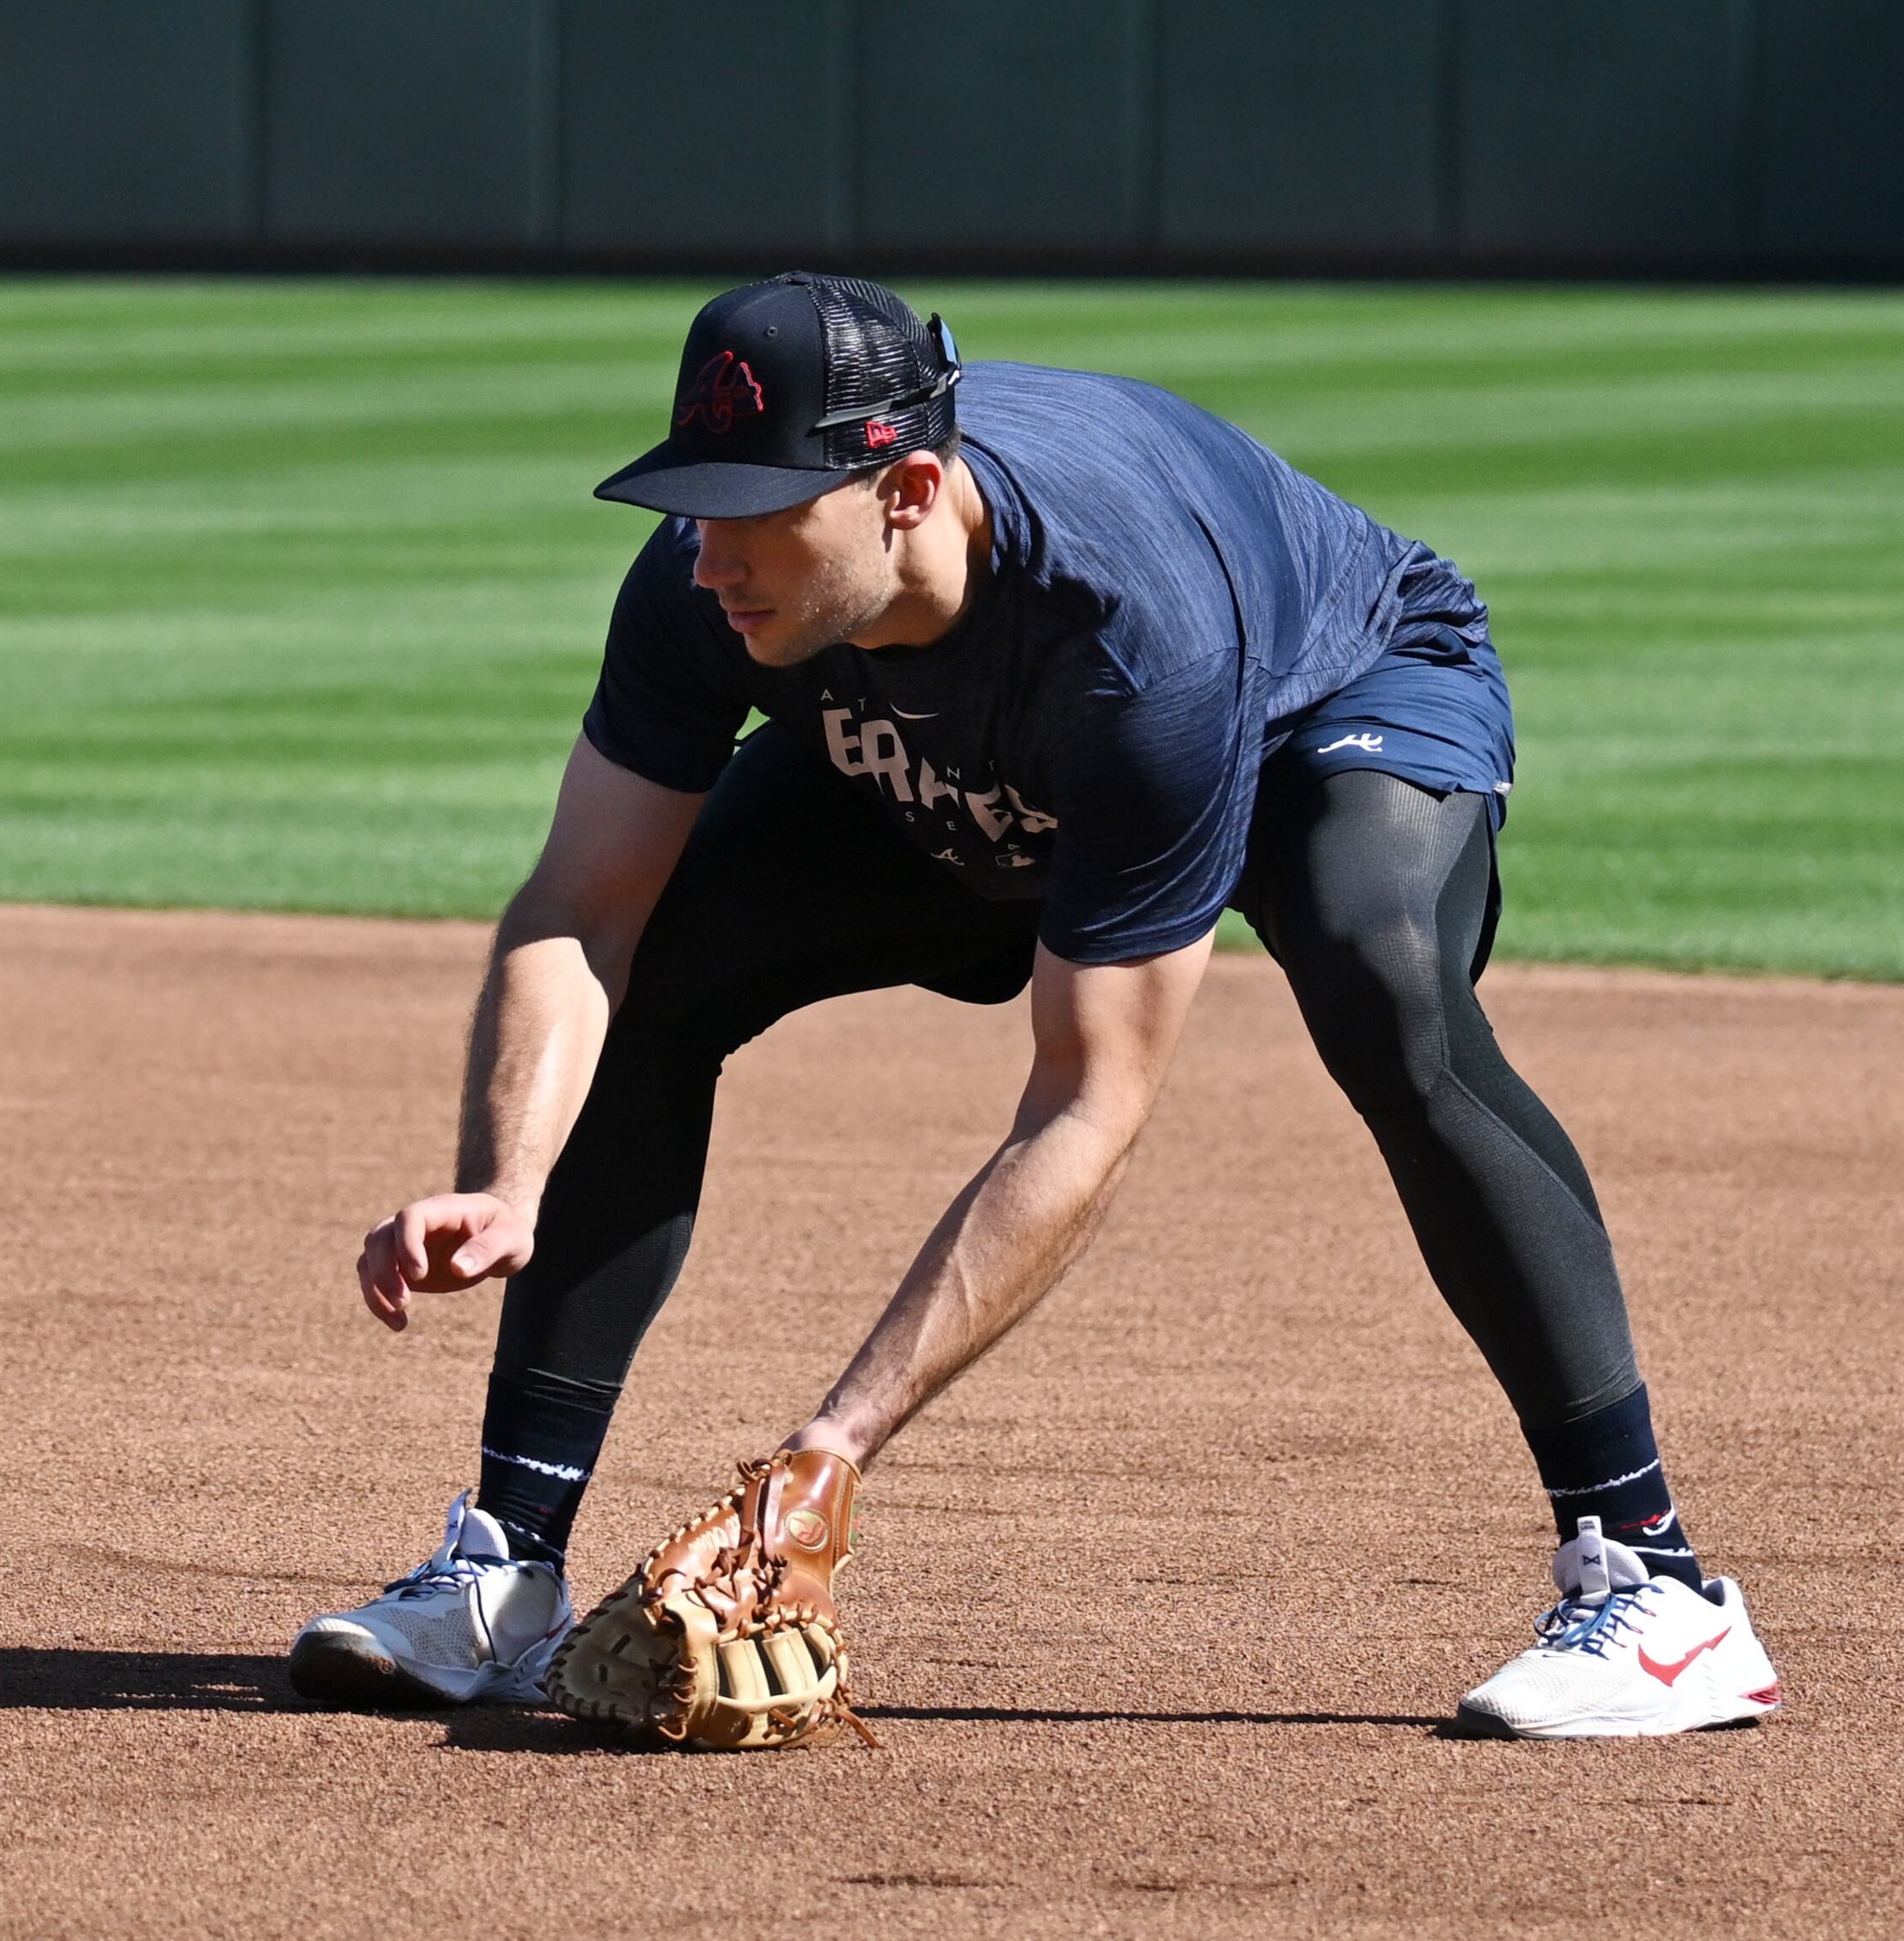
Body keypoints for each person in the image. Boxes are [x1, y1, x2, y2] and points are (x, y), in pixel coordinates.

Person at [289, 274, 1780, 1741]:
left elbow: (1089, 1101)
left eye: (758, 507)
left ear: (906, 489)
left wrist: (832, 1452)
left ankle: (1652, 1583)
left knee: (1379, 973)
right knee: (663, 962)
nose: (712, 555)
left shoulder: (1138, 635)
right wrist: (509, 1174)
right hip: (965, 726)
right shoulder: (714, 586)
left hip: (1328, 692)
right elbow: (580, 907)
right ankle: (508, 1564)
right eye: (699, 500)